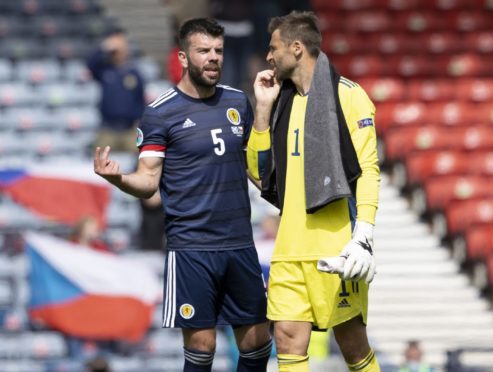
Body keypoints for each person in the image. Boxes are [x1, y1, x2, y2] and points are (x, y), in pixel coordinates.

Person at [93, 18, 271, 372]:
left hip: (239, 242)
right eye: (204, 50)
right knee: (202, 345)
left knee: (257, 343)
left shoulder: (238, 100)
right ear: (184, 57)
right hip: (192, 247)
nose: (213, 58)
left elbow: (255, 166)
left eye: (218, 51)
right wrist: (119, 179)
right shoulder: (160, 113)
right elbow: (148, 181)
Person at [247, 11, 380, 372]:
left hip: (335, 246)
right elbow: (259, 174)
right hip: (289, 247)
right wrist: (261, 109)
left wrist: (363, 236)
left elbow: (368, 169)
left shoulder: (349, 96)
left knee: (353, 346)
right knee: (288, 338)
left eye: (274, 48)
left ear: (296, 47)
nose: (269, 56)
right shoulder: (279, 103)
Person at [87, 28, 145, 153]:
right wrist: (104, 47)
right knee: (100, 159)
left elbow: (140, 99)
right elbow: (90, 65)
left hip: (129, 129)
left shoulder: (134, 73)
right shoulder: (105, 70)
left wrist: (139, 122)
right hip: (108, 128)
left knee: (139, 158)